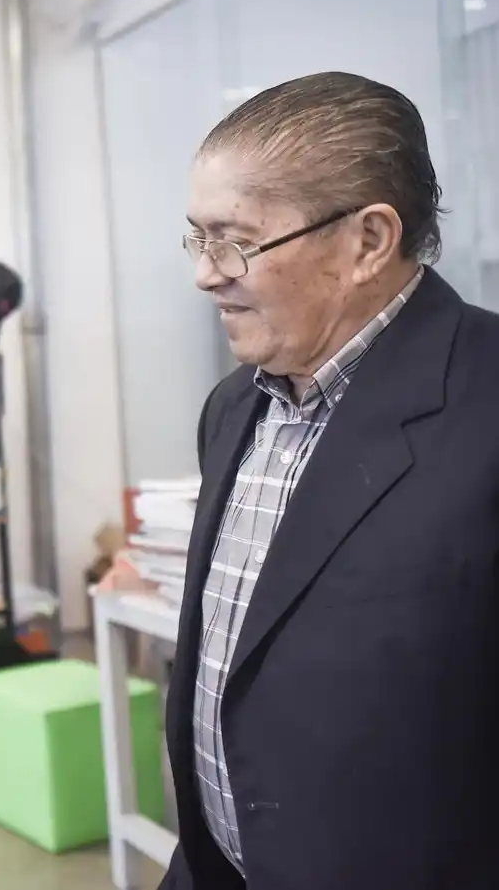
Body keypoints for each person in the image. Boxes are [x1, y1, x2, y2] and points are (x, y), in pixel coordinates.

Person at [162, 71, 499, 890]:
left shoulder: (484, 405)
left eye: (234, 240)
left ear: (368, 241)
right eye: (197, 238)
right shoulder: (233, 409)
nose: (205, 274)